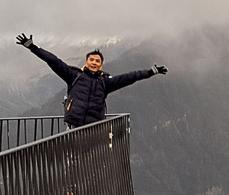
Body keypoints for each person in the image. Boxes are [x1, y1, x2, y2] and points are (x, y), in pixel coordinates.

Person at [16, 33, 167, 128]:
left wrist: (149, 72)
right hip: (74, 125)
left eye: (97, 61)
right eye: (92, 60)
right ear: (86, 62)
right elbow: (53, 61)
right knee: (73, 157)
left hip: (94, 127)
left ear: (101, 65)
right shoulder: (73, 75)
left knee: (88, 158)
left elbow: (128, 78)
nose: (94, 62)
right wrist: (33, 47)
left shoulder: (105, 82)